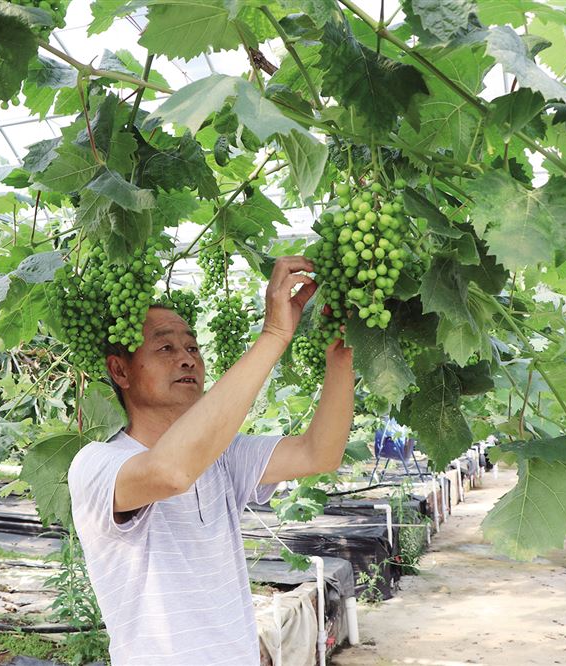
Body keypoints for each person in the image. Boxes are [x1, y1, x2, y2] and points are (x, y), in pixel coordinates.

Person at [68, 256, 355, 665]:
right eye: (165, 347)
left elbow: (319, 453)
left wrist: (340, 357)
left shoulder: (222, 457)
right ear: (120, 370)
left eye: (192, 347)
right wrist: (273, 335)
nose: (187, 359)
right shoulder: (97, 463)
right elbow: (169, 472)